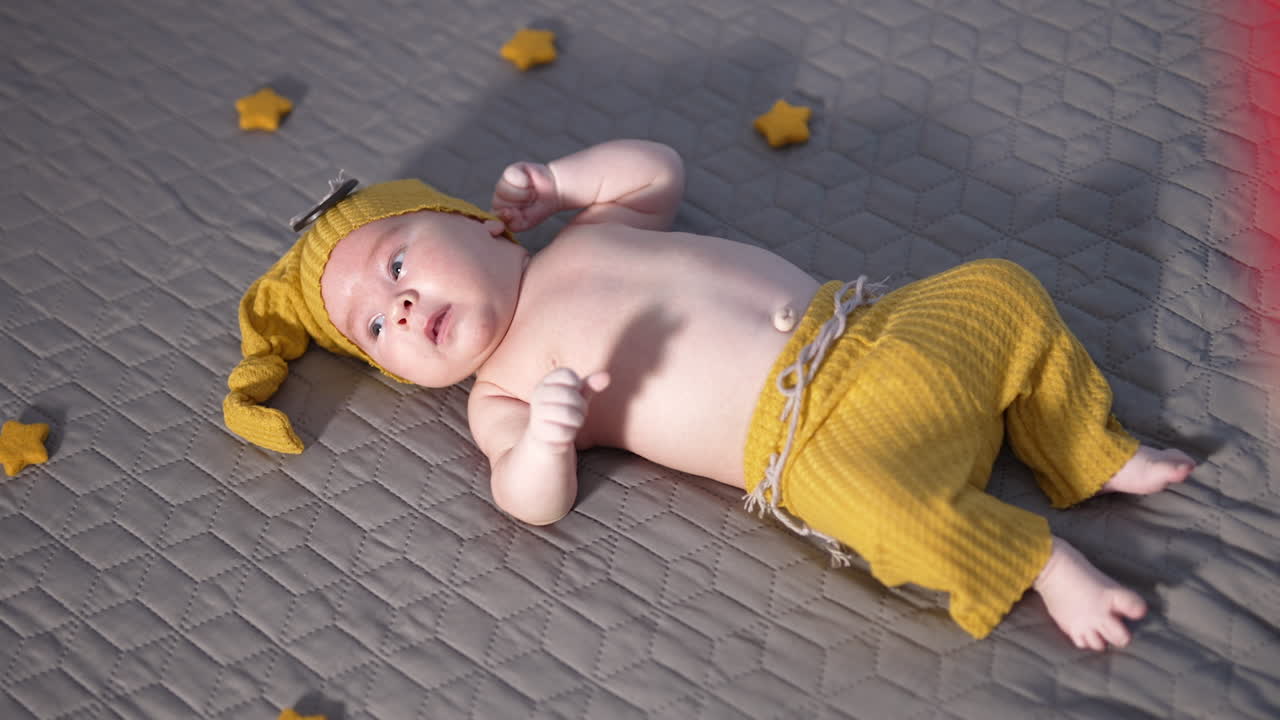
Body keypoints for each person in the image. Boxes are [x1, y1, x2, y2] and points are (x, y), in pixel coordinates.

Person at [223, 139, 1196, 650]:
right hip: (805, 444)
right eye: (373, 328)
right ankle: (1037, 562)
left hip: (868, 329)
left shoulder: (588, 233)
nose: (397, 304)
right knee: (882, 516)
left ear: (481, 222)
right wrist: (545, 444)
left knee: (1001, 290)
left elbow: (658, 172)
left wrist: (561, 179)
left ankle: (1084, 448)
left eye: (396, 260)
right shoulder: (503, 392)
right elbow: (525, 502)